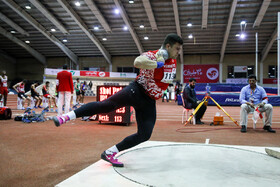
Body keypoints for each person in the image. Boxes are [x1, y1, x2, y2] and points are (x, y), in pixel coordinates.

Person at [53, 33, 183, 167]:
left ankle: (110, 152)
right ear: (168, 46)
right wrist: (156, 64)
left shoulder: (172, 60)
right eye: (177, 49)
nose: (179, 52)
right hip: (136, 91)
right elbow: (137, 62)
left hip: (149, 101)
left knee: (144, 135)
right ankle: (66, 117)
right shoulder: (154, 55)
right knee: (106, 106)